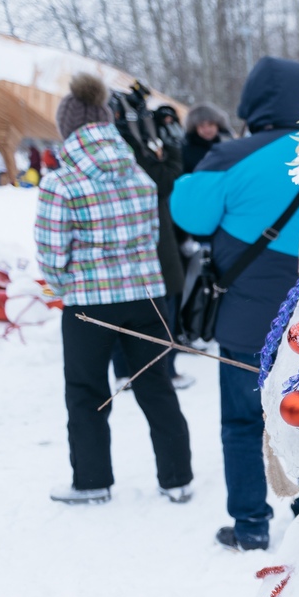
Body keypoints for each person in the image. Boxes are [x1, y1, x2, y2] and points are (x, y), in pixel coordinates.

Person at [171, 56, 299, 551]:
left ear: (250, 102)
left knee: (241, 423)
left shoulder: (228, 157)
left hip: (246, 324)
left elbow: (189, 216)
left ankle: (252, 525)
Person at [34, 72, 193, 505]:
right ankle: (177, 479)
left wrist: (65, 286)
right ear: (107, 124)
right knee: (155, 384)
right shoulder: (139, 176)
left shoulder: (62, 182)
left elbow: (51, 252)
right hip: (145, 296)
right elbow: (152, 237)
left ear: (68, 129)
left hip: (88, 304)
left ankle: (92, 481)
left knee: (87, 392)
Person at [112, 82, 190, 389]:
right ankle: (162, 372)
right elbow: (164, 180)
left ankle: (127, 371)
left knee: (127, 308)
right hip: (152, 240)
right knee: (161, 308)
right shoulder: (127, 153)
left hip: (129, 242)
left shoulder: (115, 148)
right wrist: (171, 149)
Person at [181, 103, 231, 174]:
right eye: (202, 126)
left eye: (210, 125)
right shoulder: (186, 150)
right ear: (195, 128)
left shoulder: (228, 145)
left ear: (218, 124)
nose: (207, 130)